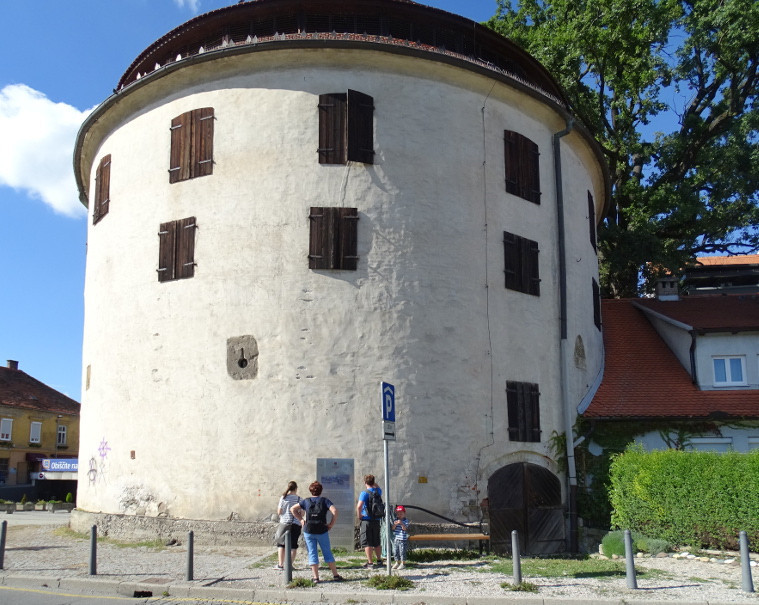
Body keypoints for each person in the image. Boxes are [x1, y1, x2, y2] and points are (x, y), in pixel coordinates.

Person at [290, 481, 344, 583]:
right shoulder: (324, 501)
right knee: (327, 552)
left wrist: (301, 520)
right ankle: (335, 575)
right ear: (321, 491)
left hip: (308, 530)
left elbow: (292, 509)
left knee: (312, 553)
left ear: (310, 491)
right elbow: (335, 511)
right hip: (322, 530)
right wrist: (331, 524)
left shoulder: (306, 501)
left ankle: (316, 577)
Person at [356, 474, 383, 568]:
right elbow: (378, 486)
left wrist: (359, 515)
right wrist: (374, 482)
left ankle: (370, 562)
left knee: (367, 541)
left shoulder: (364, 493)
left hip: (366, 519)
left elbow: (359, 506)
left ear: (365, 482)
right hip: (376, 519)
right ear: (373, 482)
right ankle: (379, 561)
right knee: (376, 541)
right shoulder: (378, 491)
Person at [274, 480, 301, 570]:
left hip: (284, 523)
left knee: (281, 544)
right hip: (296, 523)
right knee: (293, 545)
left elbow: (279, 512)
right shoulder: (299, 499)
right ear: (296, 489)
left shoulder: (283, 498)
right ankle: (289, 565)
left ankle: (280, 565)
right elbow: (303, 512)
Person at [391, 505, 410, 569]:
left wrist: (401, 523)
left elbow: (405, 528)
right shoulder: (395, 520)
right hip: (396, 538)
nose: (399, 515)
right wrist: (395, 524)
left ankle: (403, 563)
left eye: (401, 513)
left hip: (403, 539)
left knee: (402, 551)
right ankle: (397, 562)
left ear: (404, 514)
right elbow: (393, 528)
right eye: (398, 514)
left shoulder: (406, 521)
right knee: (395, 551)